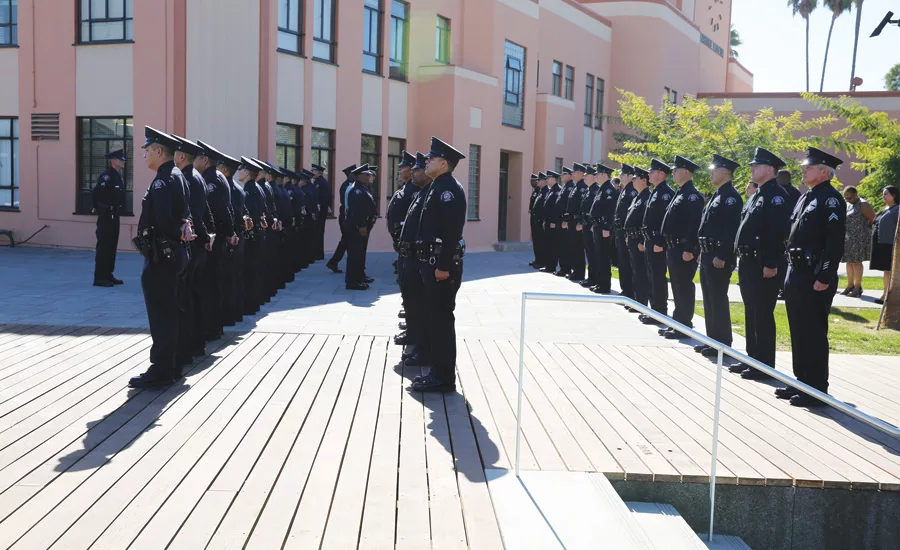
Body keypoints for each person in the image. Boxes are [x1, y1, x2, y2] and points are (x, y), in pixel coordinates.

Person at [779, 147, 846, 407]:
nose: (803, 169)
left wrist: (826, 275)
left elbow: (834, 242)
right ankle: (800, 381)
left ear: (824, 171)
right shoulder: (806, 197)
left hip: (815, 274)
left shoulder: (831, 199)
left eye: (809, 166)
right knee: (798, 330)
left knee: (813, 332)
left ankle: (816, 388)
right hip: (796, 271)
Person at [129, 127, 193, 389]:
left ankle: (162, 369)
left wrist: (177, 230)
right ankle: (171, 365)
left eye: (147, 151)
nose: (144, 156)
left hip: (162, 257)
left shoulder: (163, 180)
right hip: (171, 255)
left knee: (161, 313)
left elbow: (166, 219)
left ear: (158, 151)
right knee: (169, 310)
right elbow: (182, 214)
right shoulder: (176, 175)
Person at [409, 137, 467, 393]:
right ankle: (438, 372)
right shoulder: (437, 186)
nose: (427, 161)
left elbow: (452, 231)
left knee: (442, 321)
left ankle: (443, 378)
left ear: (444, 164)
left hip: (441, 267)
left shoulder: (448, 190)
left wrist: (443, 266)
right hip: (431, 264)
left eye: (432, 158)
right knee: (436, 320)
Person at [733, 147, 791, 379]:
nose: (752, 169)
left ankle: (764, 364)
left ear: (769, 169)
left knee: (762, 314)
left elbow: (777, 234)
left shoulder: (775, 196)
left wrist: (771, 263)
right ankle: (752, 358)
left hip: (762, 264)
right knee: (751, 312)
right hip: (749, 262)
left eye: (756, 166)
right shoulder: (758, 194)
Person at [170, 135, 214, 365]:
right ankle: (196, 344)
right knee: (193, 296)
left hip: (192, 243)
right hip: (199, 242)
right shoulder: (195, 176)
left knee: (185, 298)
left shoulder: (188, 177)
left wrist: (204, 236)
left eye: (175, 153)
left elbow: (196, 214)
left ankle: (188, 347)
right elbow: (205, 212)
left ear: (181, 156)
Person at [695, 155, 743, 357]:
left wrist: (722, 255)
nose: (711, 172)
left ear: (725, 172)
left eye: (714, 169)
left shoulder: (730, 197)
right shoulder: (718, 194)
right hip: (708, 254)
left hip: (718, 257)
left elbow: (731, 229)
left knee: (717, 299)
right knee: (709, 299)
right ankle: (712, 340)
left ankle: (722, 342)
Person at [660, 155, 704, 337]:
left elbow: (694, 224)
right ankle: (678, 321)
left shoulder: (692, 195)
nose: (673, 173)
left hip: (683, 248)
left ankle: (684, 324)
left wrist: (690, 249)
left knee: (684, 286)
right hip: (674, 247)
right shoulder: (681, 192)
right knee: (677, 286)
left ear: (686, 171)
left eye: (676, 170)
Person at [395, 152, 433, 357]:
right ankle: (418, 344)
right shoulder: (420, 192)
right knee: (413, 302)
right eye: (417, 168)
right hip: (409, 255)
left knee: (423, 308)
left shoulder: (437, 192)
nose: (419, 172)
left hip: (419, 258)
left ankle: (423, 349)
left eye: (420, 168)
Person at [640, 158, 675, 323]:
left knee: (658, 277)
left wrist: (660, 242)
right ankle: (653, 309)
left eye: (652, 172)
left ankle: (659, 311)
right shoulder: (656, 191)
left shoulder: (666, 193)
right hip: (649, 241)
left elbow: (665, 220)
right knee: (650, 276)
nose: (649, 174)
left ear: (661, 174)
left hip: (656, 243)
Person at [92, 149, 127, 287]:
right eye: (120, 159)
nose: (123, 162)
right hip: (106, 217)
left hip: (114, 215)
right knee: (104, 246)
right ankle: (100, 277)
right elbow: (96, 195)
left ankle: (108, 274)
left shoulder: (116, 176)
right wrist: (103, 210)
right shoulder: (106, 177)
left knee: (112, 246)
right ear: (113, 161)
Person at [345, 164, 377, 290]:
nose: (370, 177)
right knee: (355, 254)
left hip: (362, 226)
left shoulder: (363, 187)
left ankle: (360, 276)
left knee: (360, 253)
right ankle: (352, 281)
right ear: (360, 176)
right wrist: (362, 225)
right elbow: (357, 211)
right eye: (367, 175)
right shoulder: (357, 190)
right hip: (357, 227)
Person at [625, 166, 652, 308]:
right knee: (635, 271)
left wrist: (642, 241)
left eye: (635, 179)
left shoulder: (647, 196)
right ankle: (637, 300)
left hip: (639, 241)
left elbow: (646, 221)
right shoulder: (638, 196)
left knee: (641, 273)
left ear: (643, 180)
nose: (632, 181)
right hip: (632, 239)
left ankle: (641, 303)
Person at [842, 186, 876, 297]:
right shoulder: (848, 205)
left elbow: (873, 219)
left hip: (859, 238)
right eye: (845, 197)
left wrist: (864, 231)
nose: (847, 199)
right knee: (849, 262)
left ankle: (857, 287)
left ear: (856, 194)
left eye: (849, 197)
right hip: (848, 238)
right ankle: (849, 286)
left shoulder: (863, 204)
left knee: (856, 262)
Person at [589, 163, 618, 293]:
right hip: (597, 226)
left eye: (598, 174)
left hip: (603, 228)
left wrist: (606, 227)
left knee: (604, 257)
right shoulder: (602, 188)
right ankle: (600, 283)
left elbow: (610, 211)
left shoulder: (609, 190)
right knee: (599, 256)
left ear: (604, 175)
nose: (596, 176)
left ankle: (605, 285)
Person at [326, 164, 357, 273]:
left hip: (347, 216)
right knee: (346, 240)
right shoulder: (346, 186)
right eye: (354, 174)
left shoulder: (353, 185)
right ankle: (335, 262)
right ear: (349, 175)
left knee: (346, 241)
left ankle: (335, 262)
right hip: (345, 216)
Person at [614, 164, 638, 300]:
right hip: (620, 230)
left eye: (623, 175)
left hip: (626, 231)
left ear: (630, 176)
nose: (620, 177)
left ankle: (630, 291)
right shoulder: (624, 190)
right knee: (622, 261)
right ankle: (625, 289)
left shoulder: (632, 191)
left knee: (628, 263)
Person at [872, 186, 899, 305]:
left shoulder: (897, 209)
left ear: (894, 196)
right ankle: (885, 294)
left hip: (892, 245)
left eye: (886, 194)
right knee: (886, 271)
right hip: (883, 244)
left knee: (892, 271)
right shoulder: (886, 208)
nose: (883, 196)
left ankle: (890, 296)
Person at [563, 163, 588, 282]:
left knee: (578, 248)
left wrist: (579, 222)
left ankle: (579, 273)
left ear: (580, 174)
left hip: (577, 221)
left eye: (574, 172)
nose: (572, 174)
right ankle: (575, 271)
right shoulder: (576, 186)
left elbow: (582, 207)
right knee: (573, 247)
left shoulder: (582, 187)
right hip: (572, 221)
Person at [578, 167, 600, 287]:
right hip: (586, 224)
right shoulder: (589, 189)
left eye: (587, 175)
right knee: (589, 253)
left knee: (592, 253)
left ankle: (594, 278)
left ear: (594, 177)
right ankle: (591, 277)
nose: (585, 177)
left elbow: (595, 210)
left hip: (591, 226)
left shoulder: (595, 190)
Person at [540, 171, 562, 273]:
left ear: (553, 179)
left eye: (548, 178)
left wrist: (553, 221)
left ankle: (551, 266)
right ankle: (548, 265)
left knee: (552, 245)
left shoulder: (557, 190)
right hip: (547, 221)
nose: (547, 180)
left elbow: (556, 208)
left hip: (552, 222)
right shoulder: (552, 190)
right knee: (547, 244)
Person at [312, 163, 332, 261]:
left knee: (319, 231)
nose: (312, 173)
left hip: (321, 210)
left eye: (313, 171)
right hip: (319, 210)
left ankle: (319, 253)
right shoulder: (317, 182)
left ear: (318, 172)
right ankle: (316, 252)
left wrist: (321, 206)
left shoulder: (322, 183)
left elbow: (325, 197)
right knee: (316, 232)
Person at [530, 173, 549, 270]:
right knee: (536, 241)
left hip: (540, 220)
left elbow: (544, 207)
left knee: (541, 242)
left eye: (539, 180)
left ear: (545, 181)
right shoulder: (540, 191)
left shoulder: (546, 191)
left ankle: (542, 261)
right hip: (535, 219)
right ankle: (538, 260)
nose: (537, 181)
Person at [528, 173, 541, 267]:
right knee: (535, 240)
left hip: (537, 218)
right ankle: (537, 259)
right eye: (531, 181)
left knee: (539, 240)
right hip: (533, 216)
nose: (532, 183)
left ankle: (540, 260)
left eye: (534, 181)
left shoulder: (540, 191)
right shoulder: (535, 191)